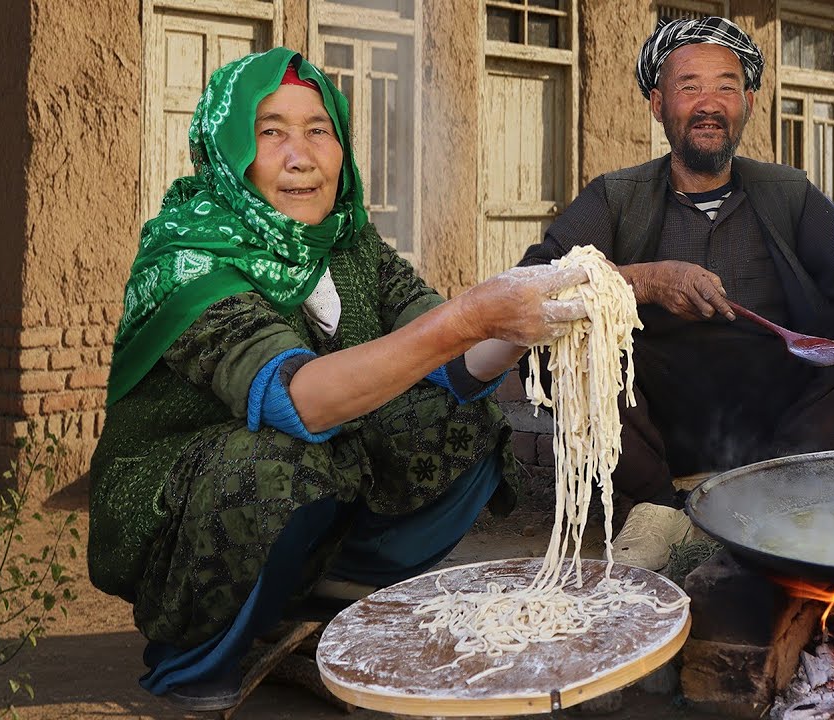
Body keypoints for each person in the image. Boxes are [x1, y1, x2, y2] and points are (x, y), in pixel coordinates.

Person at [87, 48, 587, 712]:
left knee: (466, 423)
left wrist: (531, 321)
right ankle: (196, 650)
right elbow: (300, 401)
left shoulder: (350, 243)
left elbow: (448, 357)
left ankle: (309, 590)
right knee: (278, 459)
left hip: (316, 479)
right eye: (271, 133)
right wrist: (468, 316)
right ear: (228, 148)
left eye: (318, 130)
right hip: (180, 516)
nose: (302, 156)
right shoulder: (191, 259)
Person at [519, 17, 834, 571]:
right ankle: (661, 510)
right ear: (658, 105)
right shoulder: (616, 198)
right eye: (690, 87)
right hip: (655, 429)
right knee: (548, 337)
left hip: (784, 423)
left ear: (749, 102)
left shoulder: (789, 194)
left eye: (727, 86)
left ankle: (775, 485)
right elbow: (532, 284)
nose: (710, 103)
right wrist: (644, 280)